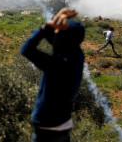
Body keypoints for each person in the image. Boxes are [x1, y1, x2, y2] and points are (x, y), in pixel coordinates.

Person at [20, 8, 85, 142]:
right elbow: (61, 41)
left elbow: (26, 49)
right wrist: (55, 22)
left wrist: (45, 27)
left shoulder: (58, 64)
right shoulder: (77, 55)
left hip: (47, 127)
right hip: (63, 123)